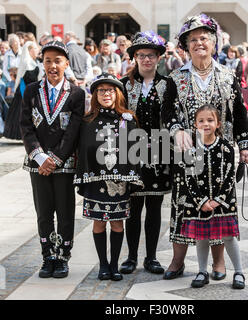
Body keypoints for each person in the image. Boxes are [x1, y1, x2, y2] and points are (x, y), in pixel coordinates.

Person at [161, 13, 248, 280]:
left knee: (219, 207)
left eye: (204, 38)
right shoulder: (175, 78)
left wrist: (245, 144)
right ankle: (177, 261)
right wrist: (176, 130)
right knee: (184, 206)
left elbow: (239, 113)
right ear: (186, 46)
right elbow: (167, 113)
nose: (199, 43)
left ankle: (219, 263)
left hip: (220, 157)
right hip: (187, 156)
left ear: (214, 44)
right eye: (193, 40)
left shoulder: (227, 75)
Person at [20, 40, 85, 279]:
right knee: (43, 211)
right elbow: (26, 126)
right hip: (37, 164)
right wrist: (39, 156)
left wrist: (55, 159)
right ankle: (48, 255)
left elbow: (73, 130)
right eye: (48, 61)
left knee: (65, 211)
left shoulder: (76, 93)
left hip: (64, 163)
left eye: (58, 61)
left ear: (66, 63)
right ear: (42, 63)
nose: (53, 66)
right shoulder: (31, 90)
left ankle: (63, 256)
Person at [74, 73, 143, 281]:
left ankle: (114, 266)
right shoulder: (88, 120)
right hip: (96, 181)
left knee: (116, 224)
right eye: (101, 90)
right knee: (98, 223)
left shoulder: (128, 119)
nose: (106, 94)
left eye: (110, 90)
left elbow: (134, 150)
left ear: (117, 93)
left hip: (119, 182)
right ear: (96, 94)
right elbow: (84, 148)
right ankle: (103, 265)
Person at [119, 30, 171, 275]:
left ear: (159, 57)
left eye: (151, 55)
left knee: (154, 205)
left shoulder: (167, 84)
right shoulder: (123, 84)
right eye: (141, 55)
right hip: (131, 151)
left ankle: (151, 257)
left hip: (160, 151)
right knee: (133, 207)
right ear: (135, 57)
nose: (147, 59)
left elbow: (173, 118)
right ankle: (130, 257)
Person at [181, 105, 245, 289]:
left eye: (210, 120)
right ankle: (202, 271)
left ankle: (239, 271)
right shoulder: (190, 149)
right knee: (201, 238)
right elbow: (189, 177)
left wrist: (218, 200)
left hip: (223, 203)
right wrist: (201, 201)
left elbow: (229, 178)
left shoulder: (226, 148)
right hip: (198, 203)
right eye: (201, 120)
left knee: (228, 237)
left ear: (218, 124)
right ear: (195, 125)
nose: (205, 124)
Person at [3, 41, 42, 140]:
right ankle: (22, 134)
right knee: (22, 114)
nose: (37, 50)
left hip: (34, 92)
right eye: (35, 48)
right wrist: (20, 91)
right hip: (24, 92)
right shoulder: (25, 62)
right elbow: (20, 78)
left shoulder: (35, 62)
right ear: (30, 50)